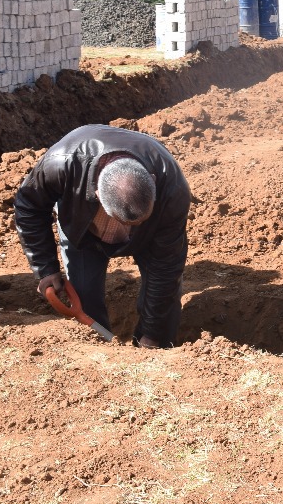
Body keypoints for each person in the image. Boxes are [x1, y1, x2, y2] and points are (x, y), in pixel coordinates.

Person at [14, 124, 191, 348]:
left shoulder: (172, 190)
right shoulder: (62, 163)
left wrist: (152, 336)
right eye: (123, 222)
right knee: (84, 293)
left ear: (153, 182)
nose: (126, 231)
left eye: (137, 222)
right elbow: (29, 206)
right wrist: (44, 267)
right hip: (83, 230)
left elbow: (166, 268)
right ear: (97, 194)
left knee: (165, 299)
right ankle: (97, 345)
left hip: (151, 238)